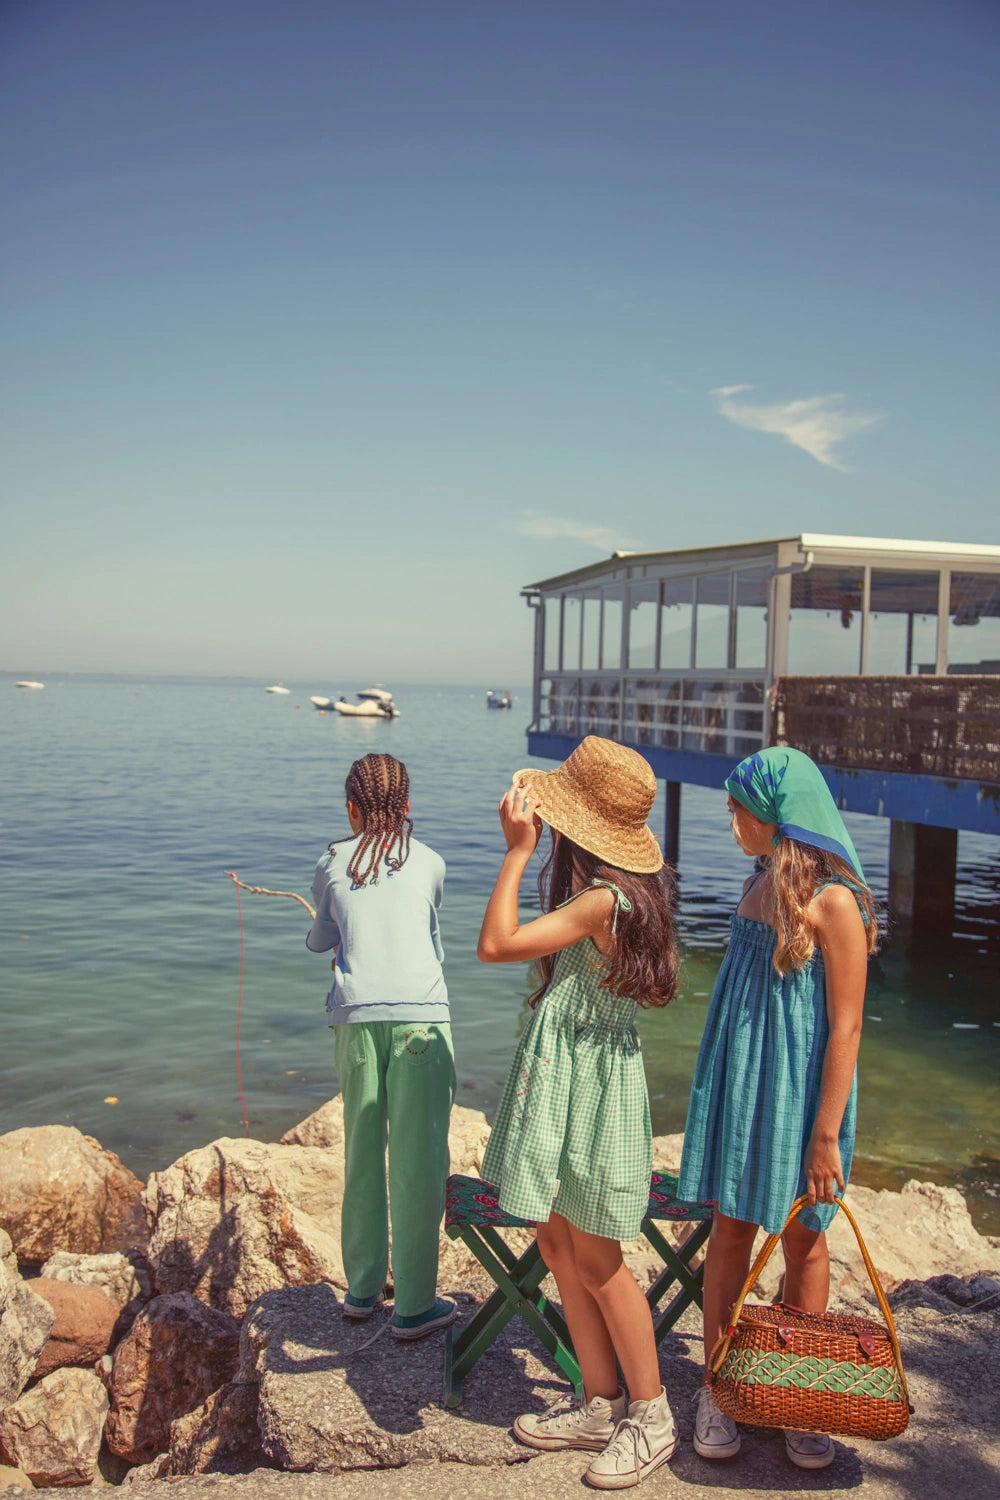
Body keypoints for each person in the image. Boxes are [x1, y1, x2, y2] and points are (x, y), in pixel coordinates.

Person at [477, 735, 681, 1489]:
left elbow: (495, 943)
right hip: (575, 1083)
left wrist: (517, 852)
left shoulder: (602, 900)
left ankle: (651, 1414)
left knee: (597, 1257)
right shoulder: (614, 893)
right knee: (557, 1241)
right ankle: (600, 1401)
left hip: (589, 1095)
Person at [678, 746, 877, 1471]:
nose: (730, 820)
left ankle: (798, 1392)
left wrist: (825, 1134)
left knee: (805, 1241)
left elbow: (846, 1027)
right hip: (745, 1087)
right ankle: (719, 1385)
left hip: (802, 1098)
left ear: (774, 816)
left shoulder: (835, 904)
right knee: (730, 1231)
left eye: (738, 809)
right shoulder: (754, 886)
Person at [306, 752, 457, 1340]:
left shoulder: (331, 862)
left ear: (351, 808)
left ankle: (363, 1289)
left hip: (356, 1017)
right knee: (419, 1158)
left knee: (362, 1149)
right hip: (422, 1018)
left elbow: (321, 938)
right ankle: (414, 1305)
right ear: (408, 805)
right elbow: (429, 937)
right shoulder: (432, 861)